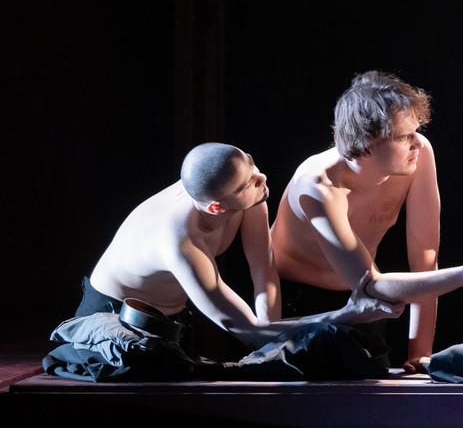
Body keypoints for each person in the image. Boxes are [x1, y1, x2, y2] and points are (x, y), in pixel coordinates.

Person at [272, 71, 463, 370]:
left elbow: (424, 257)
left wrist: (420, 353)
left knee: (376, 377)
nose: (417, 143)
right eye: (402, 136)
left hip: (364, 298)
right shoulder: (318, 187)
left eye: (416, 131)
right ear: (366, 145)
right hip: (298, 302)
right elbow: (370, 284)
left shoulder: (418, 155)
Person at [69, 142, 397, 351]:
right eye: (248, 182)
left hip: (168, 317)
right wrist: (349, 314)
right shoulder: (180, 242)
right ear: (216, 207)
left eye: (251, 164)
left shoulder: (247, 192)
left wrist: (272, 341)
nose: (261, 178)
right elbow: (248, 330)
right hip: (113, 315)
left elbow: (264, 271)